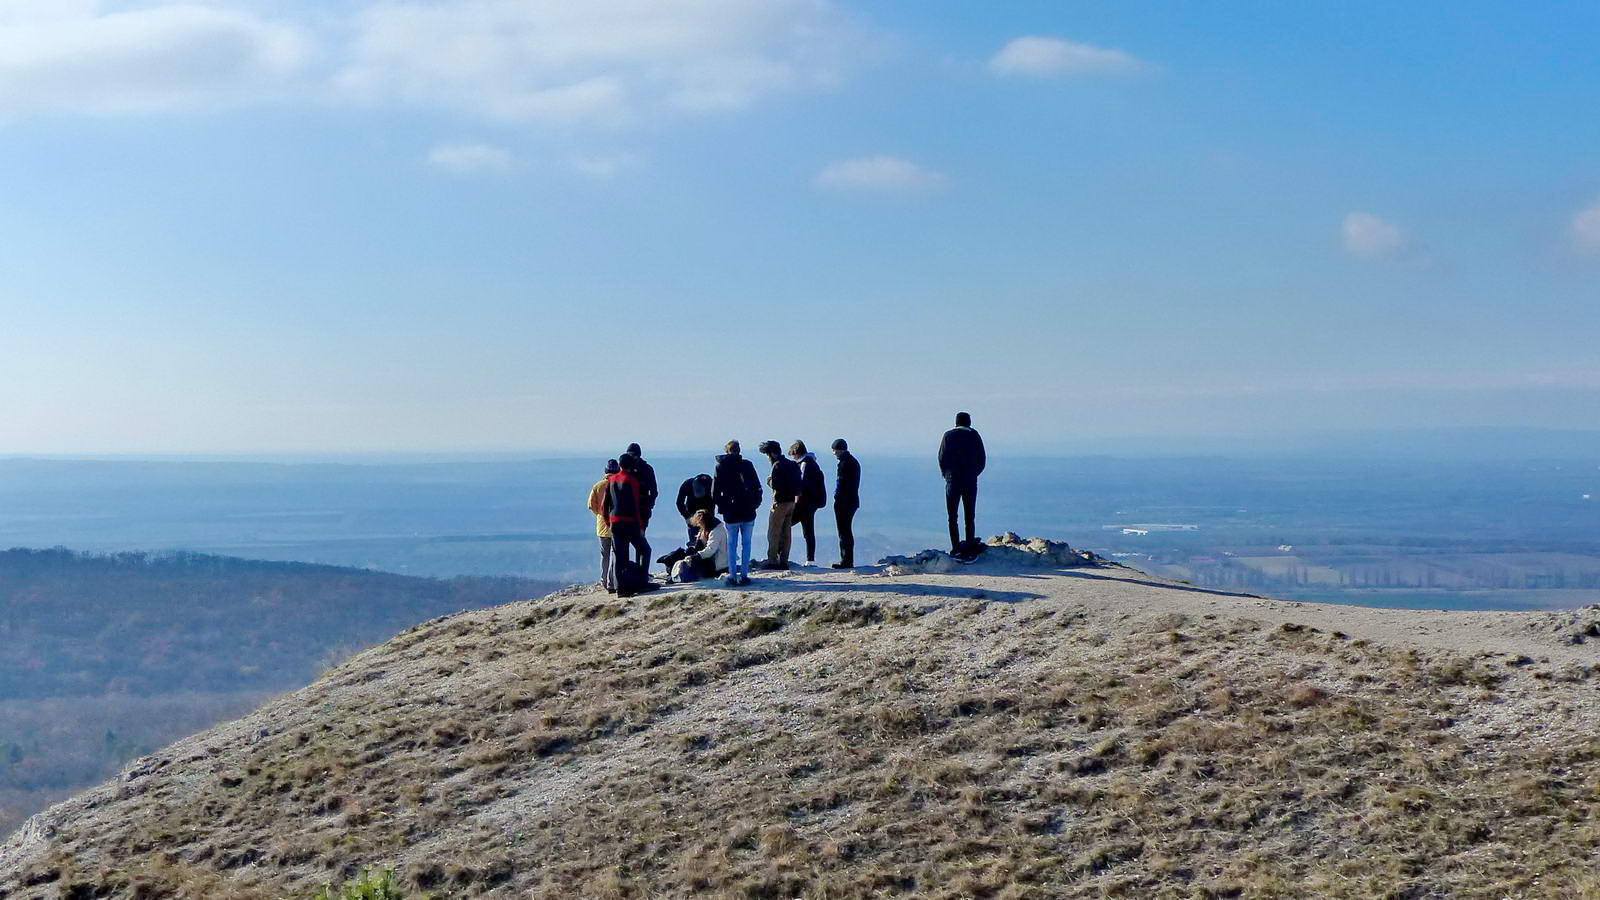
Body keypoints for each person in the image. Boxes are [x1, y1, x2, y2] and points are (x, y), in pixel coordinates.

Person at [712, 440, 762, 586]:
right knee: (746, 544)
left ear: (727, 451)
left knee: (732, 545)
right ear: (739, 450)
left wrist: (723, 506)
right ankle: (745, 575)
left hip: (731, 513)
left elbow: (715, 492)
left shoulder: (720, 466)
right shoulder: (747, 465)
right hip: (748, 510)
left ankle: (732, 575)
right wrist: (755, 504)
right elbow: (757, 487)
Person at [938, 411, 986, 558]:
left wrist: (947, 475)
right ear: (969, 422)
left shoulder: (948, 436)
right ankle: (970, 545)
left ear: (956, 422)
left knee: (952, 516)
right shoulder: (974, 436)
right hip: (970, 480)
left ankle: (956, 547)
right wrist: (973, 474)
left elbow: (941, 457)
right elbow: (982, 459)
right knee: (969, 516)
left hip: (952, 480)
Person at [604, 452, 652, 573]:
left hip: (614, 521)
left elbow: (605, 504)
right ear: (631, 466)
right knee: (645, 550)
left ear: (620, 465)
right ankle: (642, 579)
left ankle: (621, 588)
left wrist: (607, 521)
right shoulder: (632, 481)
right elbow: (635, 504)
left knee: (620, 555)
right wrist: (640, 525)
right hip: (630, 522)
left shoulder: (611, 480)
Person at [757, 440, 801, 570]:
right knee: (786, 532)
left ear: (771, 454)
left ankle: (772, 560)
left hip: (780, 503)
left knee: (774, 532)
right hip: (791, 502)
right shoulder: (792, 464)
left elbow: (776, 485)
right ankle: (784, 560)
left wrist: (768, 480)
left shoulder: (777, 466)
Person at [789, 440, 827, 566]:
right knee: (808, 530)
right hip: (812, 502)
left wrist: (796, 500)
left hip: (804, 502)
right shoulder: (813, 463)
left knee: (785, 525)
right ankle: (810, 559)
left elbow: (802, 484)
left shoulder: (805, 464)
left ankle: (780, 554)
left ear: (796, 452)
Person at [586, 459, 621, 591]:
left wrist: (600, 515)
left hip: (602, 526)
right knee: (615, 555)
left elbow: (591, 505)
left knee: (604, 555)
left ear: (605, 471)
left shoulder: (597, 486)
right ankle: (613, 582)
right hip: (617, 525)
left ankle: (603, 580)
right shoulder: (619, 485)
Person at [672, 509, 729, 581]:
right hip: (709, 560)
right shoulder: (705, 529)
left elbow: (711, 550)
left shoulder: (716, 531)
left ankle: (680, 577)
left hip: (717, 565)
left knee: (692, 568)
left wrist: (696, 556)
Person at [830, 439, 860, 568]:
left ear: (840, 450)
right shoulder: (853, 462)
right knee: (846, 530)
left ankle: (846, 560)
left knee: (843, 531)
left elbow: (840, 483)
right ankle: (848, 559)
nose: (834, 453)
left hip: (844, 501)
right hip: (852, 500)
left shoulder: (844, 463)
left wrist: (836, 496)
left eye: (835, 450)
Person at [625, 443, 659, 532]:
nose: (632, 458)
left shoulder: (647, 469)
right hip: (627, 506)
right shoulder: (625, 468)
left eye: (633, 455)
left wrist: (649, 505)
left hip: (642, 506)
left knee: (640, 534)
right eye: (629, 455)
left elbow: (653, 490)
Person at [675, 473, 715, 544]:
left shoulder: (711, 485)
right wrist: (687, 517)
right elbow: (679, 502)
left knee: (709, 540)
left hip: (708, 510)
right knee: (694, 540)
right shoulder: (687, 485)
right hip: (692, 512)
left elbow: (717, 499)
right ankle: (693, 551)